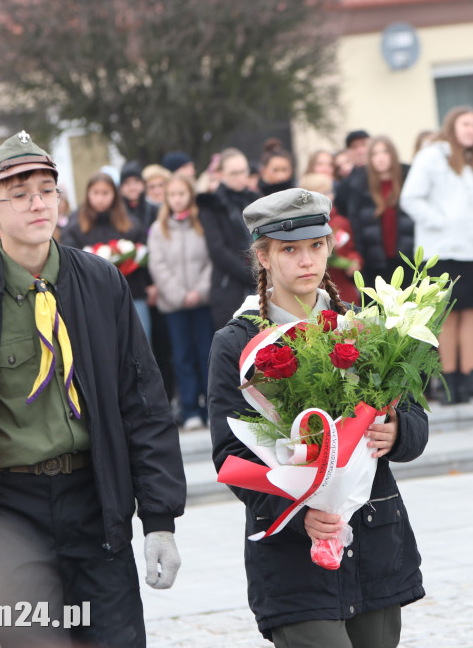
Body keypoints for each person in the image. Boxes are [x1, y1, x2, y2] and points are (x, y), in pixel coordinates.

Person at [0, 131, 186, 647]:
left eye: (47, 189)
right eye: (19, 194)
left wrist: (159, 520)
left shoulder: (101, 282)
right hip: (10, 514)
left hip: (94, 497)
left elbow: (142, 403)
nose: (38, 203)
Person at [207, 187, 427, 647]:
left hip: (373, 543)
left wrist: (397, 430)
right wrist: (297, 510)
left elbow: (414, 415)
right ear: (263, 257)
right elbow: (231, 453)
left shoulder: (361, 326)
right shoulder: (237, 341)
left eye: (316, 245)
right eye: (289, 249)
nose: (306, 260)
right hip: (293, 557)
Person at [401, 107, 473, 404]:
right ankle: (448, 382)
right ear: (452, 125)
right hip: (442, 251)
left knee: (471, 313)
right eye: (466, 123)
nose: (472, 129)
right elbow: (411, 198)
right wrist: (441, 223)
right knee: (446, 316)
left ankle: (469, 378)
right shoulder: (432, 156)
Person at [148, 173, 214, 429]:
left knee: (205, 353)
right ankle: (189, 409)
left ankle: (210, 407)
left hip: (202, 301)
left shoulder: (201, 224)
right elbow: (158, 265)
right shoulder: (158, 229)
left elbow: (210, 260)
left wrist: (199, 291)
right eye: (172, 195)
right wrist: (178, 294)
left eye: (181, 194)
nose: (177, 199)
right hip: (174, 305)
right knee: (182, 355)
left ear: (190, 195)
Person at [59, 172, 153, 340]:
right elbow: (69, 262)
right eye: (96, 193)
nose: (100, 199)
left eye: (105, 193)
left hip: (132, 295)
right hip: (93, 300)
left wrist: (149, 283)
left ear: (114, 195)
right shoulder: (75, 227)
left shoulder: (131, 224)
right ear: (88, 195)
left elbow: (144, 255)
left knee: (140, 343)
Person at [197, 147, 261, 328]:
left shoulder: (255, 199)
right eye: (234, 173)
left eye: (243, 171)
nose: (240, 177)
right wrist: (251, 274)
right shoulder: (211, 204)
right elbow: (218, 249)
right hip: (230, 284)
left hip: (260, 280)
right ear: (220, 174)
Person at [341, 135, 415, 287]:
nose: (380, 158)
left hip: (407, 259)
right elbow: (356, 227)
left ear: (392, 155)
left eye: (385, 152)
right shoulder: (360, 186)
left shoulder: (410, 179)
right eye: (375, 153)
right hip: (374, 263)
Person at [298, 172, 363, 303]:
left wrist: (354, 261)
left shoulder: (341, 222)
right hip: (315, 288)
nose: (329, 197)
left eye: (330, 192)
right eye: (322, 194)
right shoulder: (302, 226)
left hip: (342, 287)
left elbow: (352, 249)